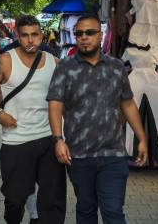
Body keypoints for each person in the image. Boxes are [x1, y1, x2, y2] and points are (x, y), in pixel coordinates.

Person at [47, 13, 148, 224]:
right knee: (86, 209)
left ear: (100, 35)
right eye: (79, 34)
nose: (84, 37)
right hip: (79, 155)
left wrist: (142, 138)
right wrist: (58, 139)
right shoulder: (65, 67)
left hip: (113, 153)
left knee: (113, 211)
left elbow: (127, 103)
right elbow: (55, 104)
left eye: (90, 32)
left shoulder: (116, 67)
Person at [0, 14, 66, 224]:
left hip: (48, 139)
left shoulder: (54, 62)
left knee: (52, 200)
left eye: (34, 35)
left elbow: (70, 92)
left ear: (41, 35)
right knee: (15, 199)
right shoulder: (6, 61)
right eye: (25, 35)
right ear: (17, 35)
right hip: (16, 141)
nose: (30, 40)